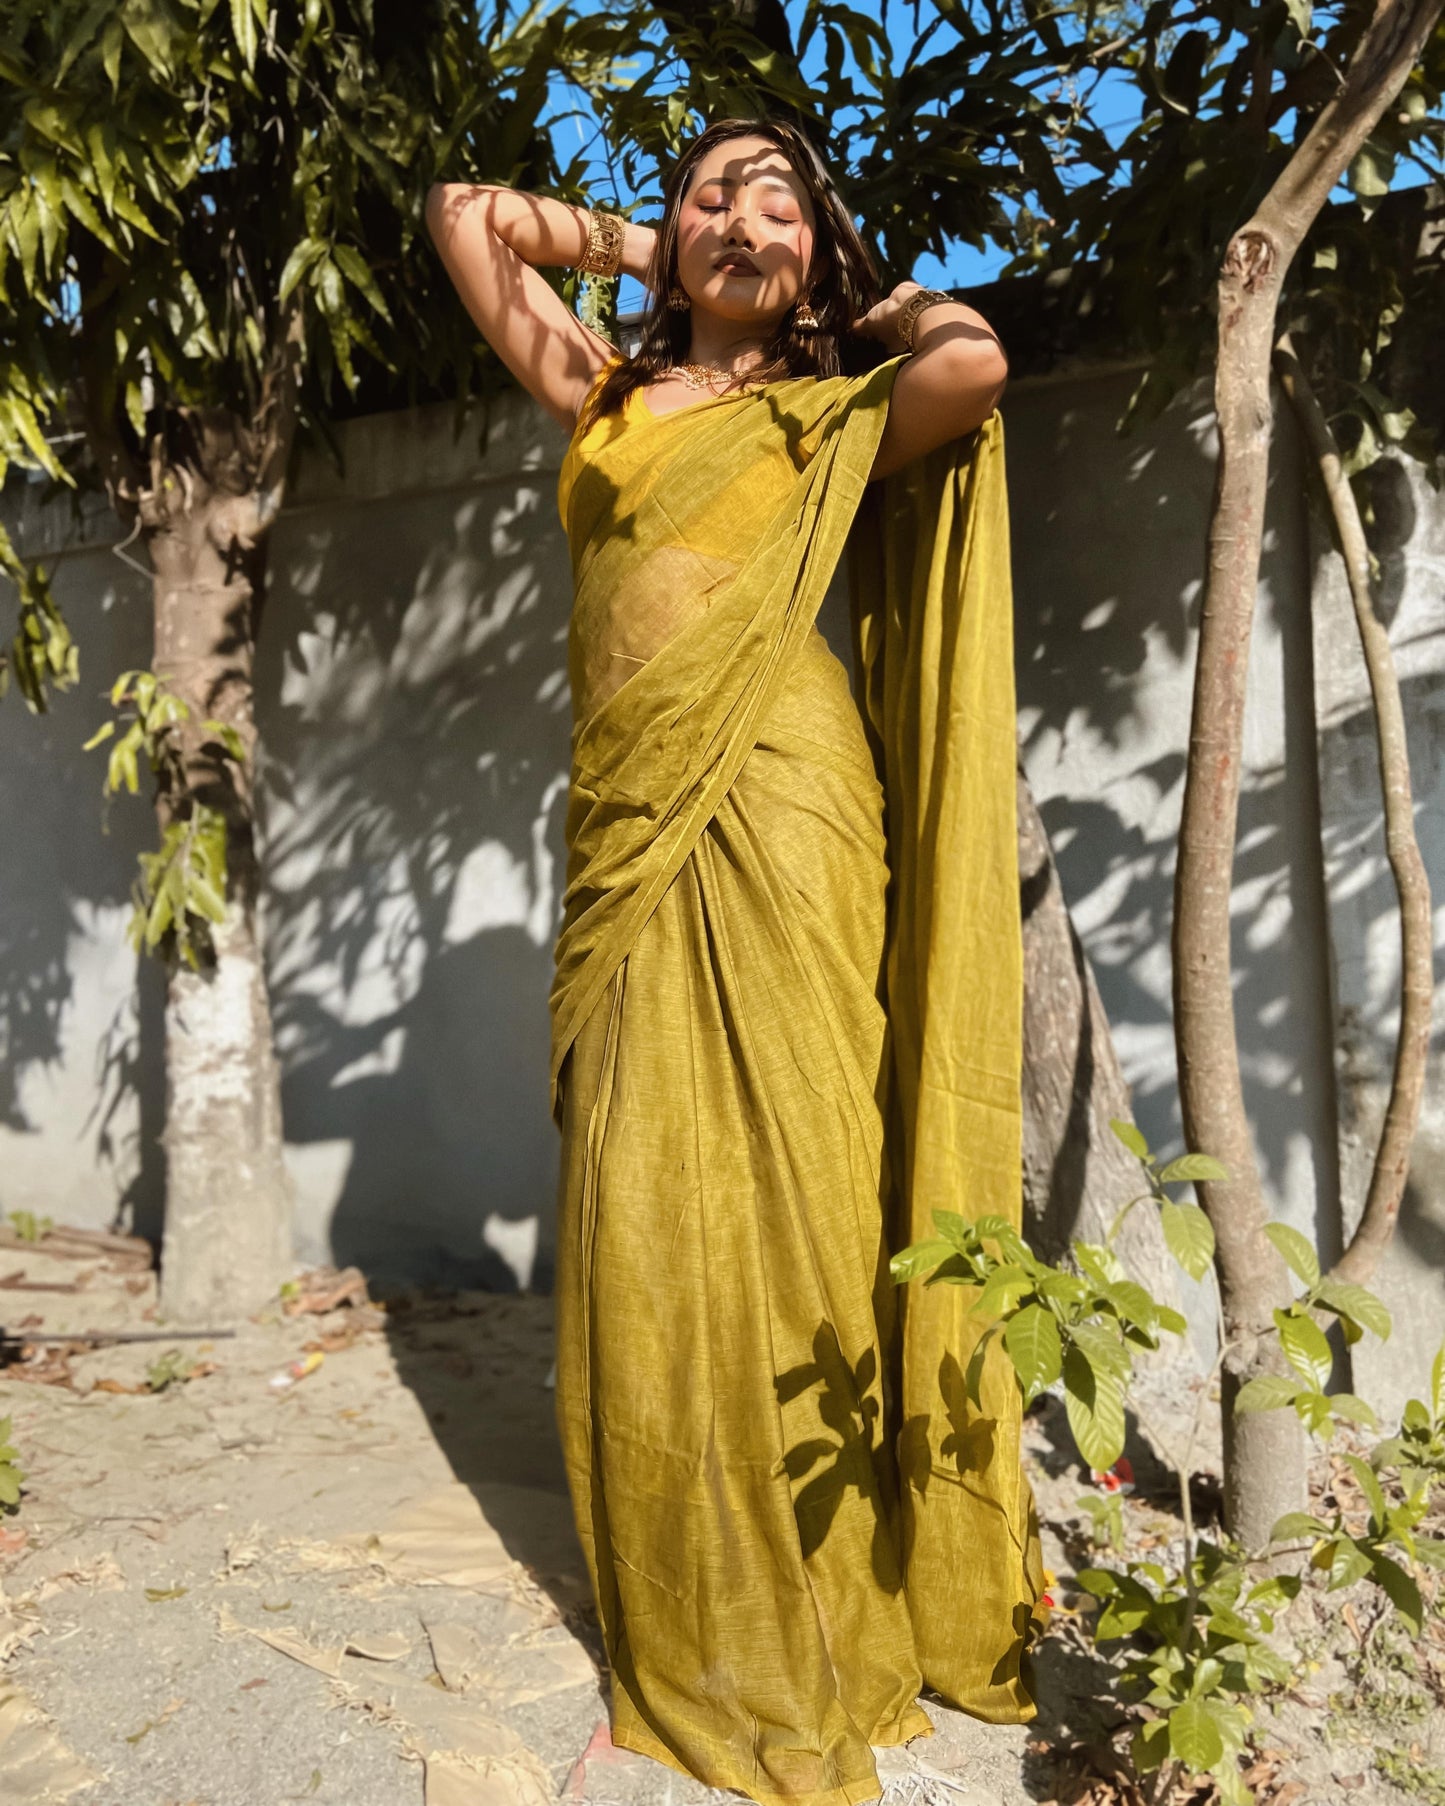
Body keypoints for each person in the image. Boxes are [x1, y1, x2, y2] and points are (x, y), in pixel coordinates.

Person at [426, 117, 1045, 1806]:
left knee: (802, 1195)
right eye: (711, 193)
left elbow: (974, 360)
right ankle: (692, 1603)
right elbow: (465, 215)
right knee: (641, 1203)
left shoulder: (835, 403)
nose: (737, 220)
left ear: (821, 249)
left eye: (777, 200)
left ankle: (830, 1589)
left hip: (790, 820)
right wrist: (655, 247)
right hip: (630, 835)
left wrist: (834, 282)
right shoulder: (605, 396)